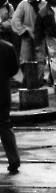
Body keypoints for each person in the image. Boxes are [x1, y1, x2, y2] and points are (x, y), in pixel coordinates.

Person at [11, 0, 46, 87]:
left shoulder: (44, 4)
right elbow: (15, 19)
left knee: (40, 59)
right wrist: (23, 30)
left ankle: (39, 80)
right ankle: (27, 79)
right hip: (26, 35)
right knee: (24, 58)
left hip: (40, 36)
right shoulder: (23, 4)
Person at [0, 39, 21, 174]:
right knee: (5, 124)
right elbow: (14, 69)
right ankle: (13, 160)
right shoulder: (8, 46)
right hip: (2, 91)